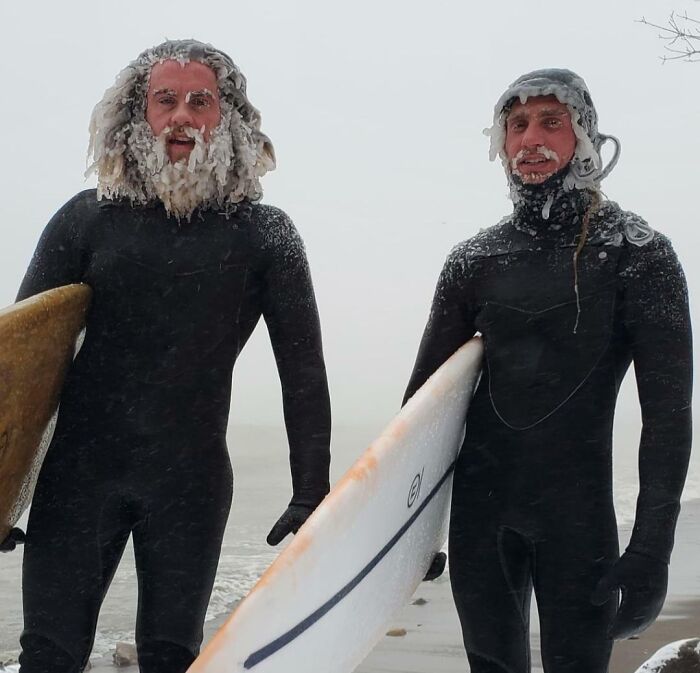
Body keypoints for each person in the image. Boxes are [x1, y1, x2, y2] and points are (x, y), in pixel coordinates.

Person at [1, 39, 331, 673]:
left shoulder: (264, 234)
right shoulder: (86, 221)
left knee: (171, 656)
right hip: (77, 480)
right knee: (47, 655)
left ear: (227, 119)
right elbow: (22, 362)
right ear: (137, 115)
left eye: (200, 101)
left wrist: (311, 490)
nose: (182, 116)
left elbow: (304, 372)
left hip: (190, 481)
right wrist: (1, 484)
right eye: (165, 100)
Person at [403, 69, 692, 672]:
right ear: (500, 141)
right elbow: (420, 415)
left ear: (584, 135)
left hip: (578, 525)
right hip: (482, 520)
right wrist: (409, 531)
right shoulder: (474, 260)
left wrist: (651, 548)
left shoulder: (639, 254)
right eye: (517, 124)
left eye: (551, 122)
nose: (530, 138)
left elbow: (667, 415)